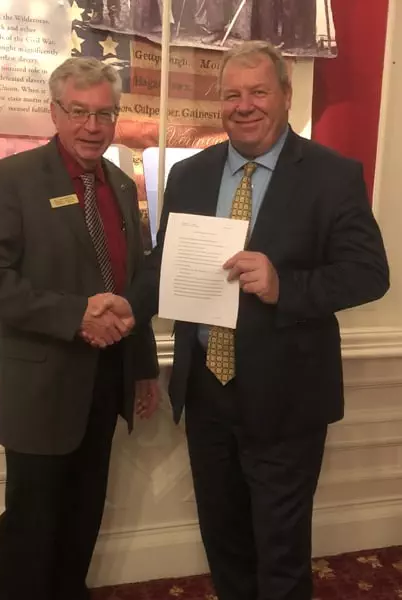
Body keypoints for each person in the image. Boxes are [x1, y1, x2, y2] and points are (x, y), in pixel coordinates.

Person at [90, 41, 390, 600]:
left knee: (280, 552)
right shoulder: (190, 177)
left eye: (258, 92)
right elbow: (164, 264)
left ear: (285, 95)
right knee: (223, 541)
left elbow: (369, 274)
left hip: (288, 397)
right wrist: (132, 302)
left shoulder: (333, 175)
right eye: (232, 95)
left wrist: (286, 286)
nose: (244, 105)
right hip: (207, 393)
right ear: (219, 105)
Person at [0, 57, 159, 600]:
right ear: (54, 111)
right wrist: (74, 315)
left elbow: (133, 283)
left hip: (105, 384)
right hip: (40, 391)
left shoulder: (119, 184)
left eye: (104, 113)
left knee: (82, 516)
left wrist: (142, 369)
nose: (92, 127)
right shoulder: (12, 179)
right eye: (78, 112)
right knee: (30, 526)